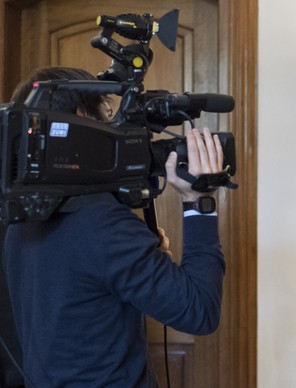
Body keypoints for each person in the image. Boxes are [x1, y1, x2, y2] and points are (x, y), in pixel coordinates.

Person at [1, 67, 226, 387]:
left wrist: (139, 257)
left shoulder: (22, 216)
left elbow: (78, 300)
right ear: (82, 117)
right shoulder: (101, 223)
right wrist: (199, 203)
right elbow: (200, 312)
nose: (115, 130)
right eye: (108, 116)